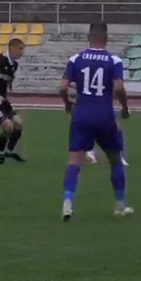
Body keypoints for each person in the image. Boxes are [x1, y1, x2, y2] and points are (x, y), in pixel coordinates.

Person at [58, 23, 133, 221]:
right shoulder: (113, 60)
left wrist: (67, 104)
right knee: (115, 159)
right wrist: (125, 107)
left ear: (88, 38)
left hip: (81, 115)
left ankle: (67, 201)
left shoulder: (76, 59)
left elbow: (62, 87)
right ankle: (120, 205)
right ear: (106, 38)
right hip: (104, 116)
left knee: (74, 160)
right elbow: (118, 88)